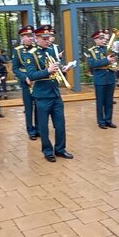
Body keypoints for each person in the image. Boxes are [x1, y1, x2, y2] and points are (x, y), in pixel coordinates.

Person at [25, 25, 74, 162]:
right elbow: (31, 75)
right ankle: (47, 151)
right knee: (43, 126)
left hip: (55, 93)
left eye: (49, 38)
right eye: (44, 38)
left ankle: (60, 149)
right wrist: (47, 71)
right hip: (41, 95)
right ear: (37, 38)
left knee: (60, 124)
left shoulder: (51, 50)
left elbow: (55, 68)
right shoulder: (31, 54)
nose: (48, 41)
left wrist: (62, 69)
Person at [84, 29, 117, 129]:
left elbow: (117, 59)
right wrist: (106, 60)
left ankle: (108, 120)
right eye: (101, 38)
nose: (104, 40)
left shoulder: (109, 49)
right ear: (95, 40)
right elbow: (93, 64)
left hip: (110, 78)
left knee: (109, 101)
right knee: (100, 102)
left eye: (104, 38)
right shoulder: (91, 51)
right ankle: (101, 122)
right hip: (100, 80)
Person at [12, 25, 39, 140]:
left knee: (39, 106)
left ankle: (39, 128)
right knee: (28, 107)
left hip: (38, 80)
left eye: (31, 36)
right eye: (28, 36)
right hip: (26, 81)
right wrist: (24, 77)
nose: (31, 38)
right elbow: (15, 68)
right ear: (22, 37)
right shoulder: (18, 51)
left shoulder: (37, 49)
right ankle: (30, 130)